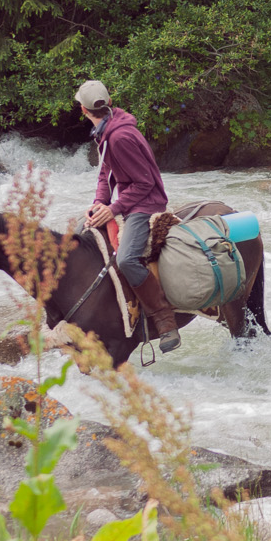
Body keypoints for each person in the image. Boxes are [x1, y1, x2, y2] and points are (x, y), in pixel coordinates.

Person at [76, 80, 181, 353]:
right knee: (81, 234)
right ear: (108, 103)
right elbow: (105, 173)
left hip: (146, 203)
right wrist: (99, 203)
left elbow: (145, 183)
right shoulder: (106, 130)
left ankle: (164, 320)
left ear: (83, 109)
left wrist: (113, 209)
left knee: (127, 259)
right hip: (129, 200)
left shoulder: (119, 136)